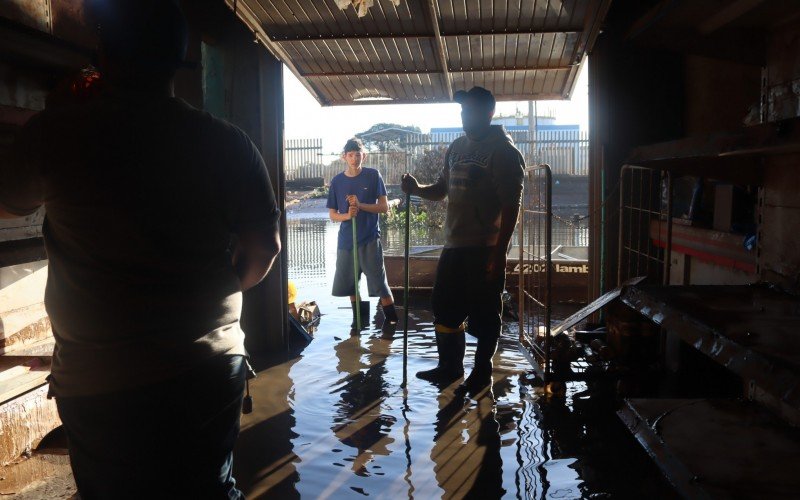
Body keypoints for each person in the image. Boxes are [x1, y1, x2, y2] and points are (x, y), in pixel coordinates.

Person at [0, 1, 281, 497]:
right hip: (209, 370)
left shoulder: (57, 133)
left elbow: (6, 204)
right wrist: (210, 296)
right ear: (180, 58)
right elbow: (264, 251)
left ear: (102, 51)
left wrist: (54, 114)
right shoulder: (228, 145)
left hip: (102, 380)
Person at [401, 86, 525, 392]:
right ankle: (450, 367)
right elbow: (442, 190)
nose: (464, 115)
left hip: (485, 248)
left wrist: (499, 253)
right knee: (443, 306)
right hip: (454, 245)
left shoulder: (505, 152)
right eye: (462, 110)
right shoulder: (456, 147)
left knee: (485, 313)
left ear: (488, 113)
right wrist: (417, 189)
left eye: (469, 110)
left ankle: (481, 372)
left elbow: (512, 205)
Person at [327, 138, 398, 330]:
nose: (354, 158)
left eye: (358, 154)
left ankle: (392, 322)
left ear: (363, 156)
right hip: (346, 241)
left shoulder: (373, 175)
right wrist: (347, 215)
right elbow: (333, 215)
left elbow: (383, 207)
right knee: (351, 285)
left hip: (369, 238)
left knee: (379, 284)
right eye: (350, 155)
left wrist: (360, 205)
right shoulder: (337, 181)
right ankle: (359, 323)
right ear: (344, 157)